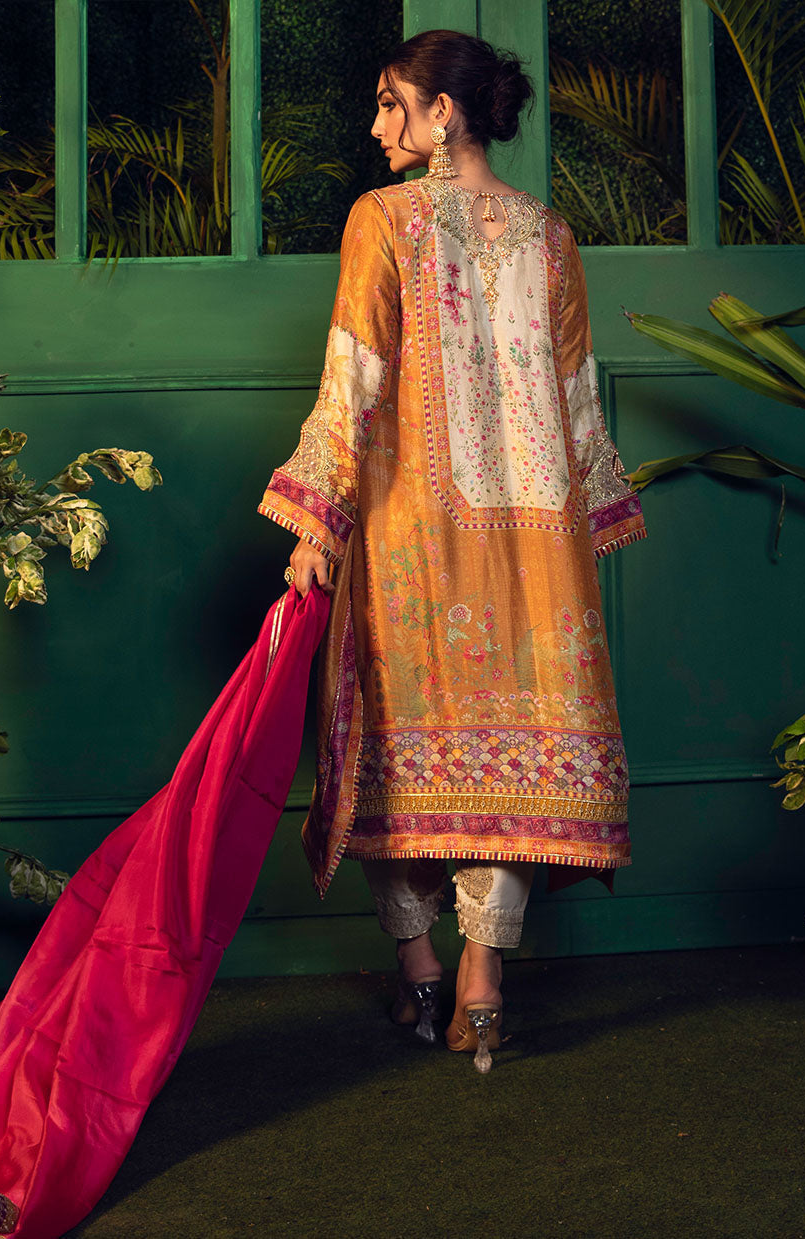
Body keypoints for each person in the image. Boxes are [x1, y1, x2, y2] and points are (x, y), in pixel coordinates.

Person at [259, 29, 646, 1072]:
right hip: (538, 548)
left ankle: (423, 970)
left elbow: (353, 377)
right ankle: (482, 983)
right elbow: (577, 404)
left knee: (396, 753)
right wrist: (592, 520)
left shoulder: (382, 219)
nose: (376, 125)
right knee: (523, 762)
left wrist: (315, 523)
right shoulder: (550, 234)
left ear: (446, 115)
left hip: (412, 540)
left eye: (393, 103)